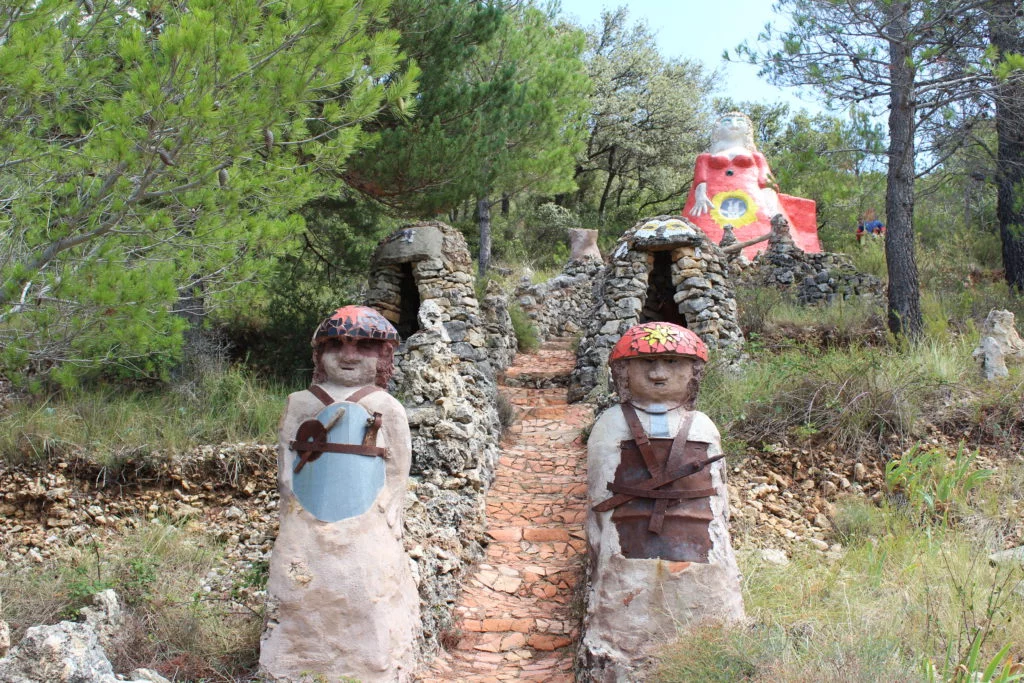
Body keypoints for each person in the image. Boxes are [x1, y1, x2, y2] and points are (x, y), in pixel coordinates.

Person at [261, 305, 418, 683]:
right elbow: (286, 457)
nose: (348, 356)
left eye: (363, 346)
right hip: (306, 526)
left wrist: (391, 501)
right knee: (300, 595)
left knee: (366, 593)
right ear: (320, 353)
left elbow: (399, 463)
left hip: (366, 528)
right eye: (336, 345)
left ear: (382, 355)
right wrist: (289, 498)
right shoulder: (301, 402)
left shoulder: (385, 406)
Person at [581, 322, 744, 680]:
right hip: (627, 550)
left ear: (693, 372)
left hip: (699, 548)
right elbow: (598, 499)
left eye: (672, 362)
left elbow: (720, 505)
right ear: (624, 373)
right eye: (646, 364)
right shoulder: (610, 426)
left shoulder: (703, 426)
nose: (658, 374)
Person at [682, 112, 821, 256]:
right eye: (727, 121)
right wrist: (700, 195)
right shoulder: (704, 158)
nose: (734, 125)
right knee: (700, 238)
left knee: (777, 235)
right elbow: (700, 179)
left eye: (739, 121)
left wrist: (772, 207)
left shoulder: (757, 157)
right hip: (708, 203)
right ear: (717, 129)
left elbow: (766, 182)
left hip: (756, 200)